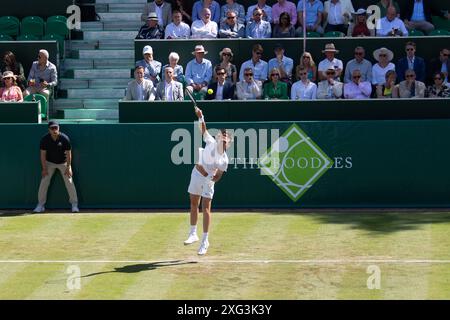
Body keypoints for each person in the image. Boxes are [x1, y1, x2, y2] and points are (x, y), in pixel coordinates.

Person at [185, 107, 232, 255]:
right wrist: (201, 116)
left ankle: (205, 241)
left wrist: (208, 176)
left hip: (208, 180)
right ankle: (193, 233)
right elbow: (203, 129)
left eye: (226, 137)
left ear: (228, 143)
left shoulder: (224, 160)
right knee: (193, 204)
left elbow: (218, 177)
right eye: (221, 135)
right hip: (196, 175)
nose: (223, 137)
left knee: (206, 208)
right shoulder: (210, 141)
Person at [33, 121, 79, 213]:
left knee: (69, 181)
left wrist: (68, 167)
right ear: (49, 130)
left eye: (56, 128)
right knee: (44, 181)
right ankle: (40, 205)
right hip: (49, 163)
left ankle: (74, 204)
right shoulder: (44, 139)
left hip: (63, 162)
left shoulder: (64, 138)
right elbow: (42, 155)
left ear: (59, 128)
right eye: (52, 128)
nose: (54, 130)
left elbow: (69, 154)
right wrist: (44, 168)